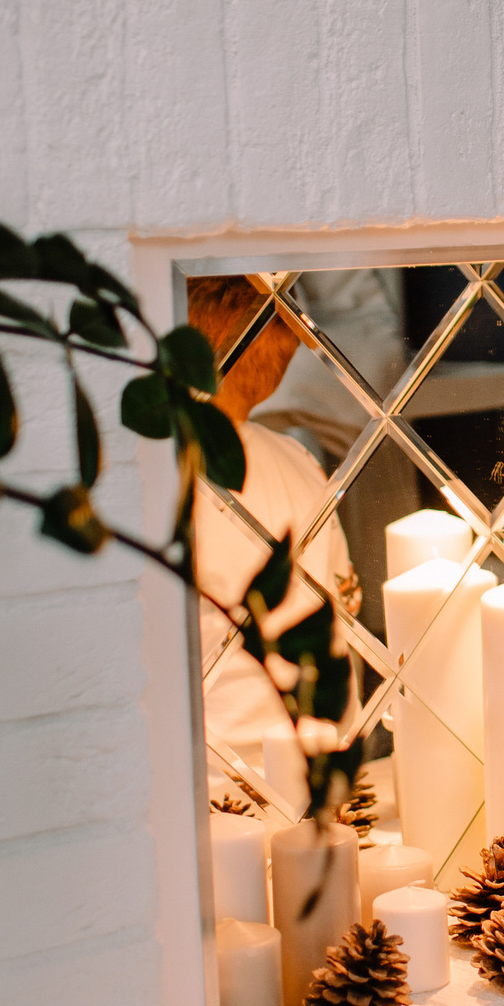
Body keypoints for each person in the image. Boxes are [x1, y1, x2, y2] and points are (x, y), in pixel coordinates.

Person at [186, 277, 358, 789]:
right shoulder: (297, 461)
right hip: (313, 770)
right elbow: (343, 607)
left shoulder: (164, 483)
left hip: (212, 784)